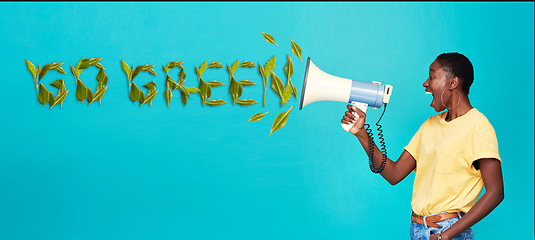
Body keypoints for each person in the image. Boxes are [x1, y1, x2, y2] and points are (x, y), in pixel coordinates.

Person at [341, 52, 504, 240]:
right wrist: (361, 133)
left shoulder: (479, 126)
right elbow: (394, 174)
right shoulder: (430, 125)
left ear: (453, 83)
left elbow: (496, 192)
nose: (425, 83)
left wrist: (446, 235)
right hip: (418, 229)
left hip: (446, 231)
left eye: (432, 76)